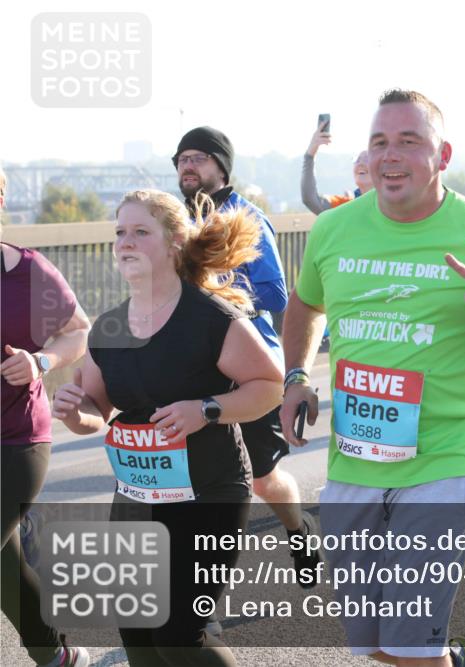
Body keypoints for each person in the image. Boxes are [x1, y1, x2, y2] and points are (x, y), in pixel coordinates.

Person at [278, 89, 465, 667]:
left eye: (409, 142)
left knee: (410, 645)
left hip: (446, 455)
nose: (390, 156)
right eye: (380, 143)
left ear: (441, 157)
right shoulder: (335, 229)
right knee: (376, 647)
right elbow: (304, 305)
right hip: (355, 456)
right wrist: (295, 375)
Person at [51, 189, 283, 666]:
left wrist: (207, 409)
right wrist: (76, 412)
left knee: (179, 634)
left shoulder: (209, 318)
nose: (125, 243)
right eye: (119, 233)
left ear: (175, 243)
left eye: (140, 232)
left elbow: (268, 386)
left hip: (209, 490)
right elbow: (98, 408)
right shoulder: (110, 327)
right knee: (137, 632)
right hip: (139, 493)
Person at [172, 126, 320, 581]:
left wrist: (219, 301)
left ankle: (300, 529)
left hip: (246, 367)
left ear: (220, 166)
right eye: (181, 160)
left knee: (261, 478)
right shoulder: (173, 223)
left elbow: (277, 294)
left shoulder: (247, 217)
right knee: (191, 484)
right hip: (192, 369)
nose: (187, 167)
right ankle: (200, 601)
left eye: (197, 158)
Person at [2, 166, 93, 667]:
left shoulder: (28, 272)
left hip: (16, 442)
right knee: (5, 564)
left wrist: (39, 361)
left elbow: (78, 332)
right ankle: (57, 657)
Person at [302, 118, 374, 215]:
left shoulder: (395, 206)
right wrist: (310, 154)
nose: (360, 163)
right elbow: (311, 200)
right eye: (357, 160)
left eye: (367, 159)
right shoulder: (347, 206)